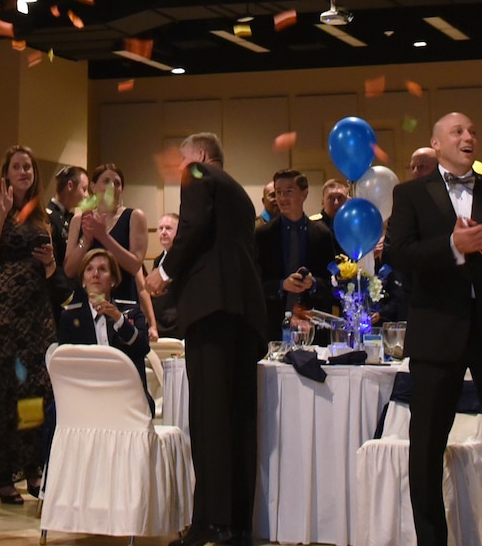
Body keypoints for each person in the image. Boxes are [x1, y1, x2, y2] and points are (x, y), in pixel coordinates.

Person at [386, 112, 482, 546]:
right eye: (458, 132)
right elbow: (399, 253)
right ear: (436, 144)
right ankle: (431, 539)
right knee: (427, 449)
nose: (469, 136)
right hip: (437, 333)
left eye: (472, 130)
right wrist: (453, 246)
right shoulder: (411, 194)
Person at [142, 132, 269, 546]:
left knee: (210, 418)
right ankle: (235, 524)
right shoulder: (240, 195)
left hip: (211, 310)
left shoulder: (198, 176)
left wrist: (163, 271)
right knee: (237, 419)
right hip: (244, 316)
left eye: (182, 158)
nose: (180, 166)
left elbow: (192, 229)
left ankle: (209, 525)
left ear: (199, 156)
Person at [0, 143, 59, 505]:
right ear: (5, 173)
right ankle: (3, 476)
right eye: (17, 167)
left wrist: (51, 259)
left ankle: (34, 469)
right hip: (3, 310)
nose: (24, 172)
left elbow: (53, 271)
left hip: (36, 313)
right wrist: (3, 213)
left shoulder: (42, 214)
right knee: (4, 389)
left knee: (35, 392)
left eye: (29, 167)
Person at [255, 169, 341, 326]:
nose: (282, 198)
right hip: (273, 323)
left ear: (304, 194)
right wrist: (282, 285)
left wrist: (313, 283)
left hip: (313, 324)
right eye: (278, 192)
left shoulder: (322, 234)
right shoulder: (263, 235)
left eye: (288, 191)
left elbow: (333, 284)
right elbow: (254, 283)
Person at [58, 248, 150, 389]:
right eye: (89, 269)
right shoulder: (70, 317)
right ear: (83, 281)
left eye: (102, 269)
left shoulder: (130, 311)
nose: (95, 274)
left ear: (113, 280)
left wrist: (118, 318)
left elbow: (143, 347)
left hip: (125, 390)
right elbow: (65, 363)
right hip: (87, 390)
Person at [67, 161, 148, 306]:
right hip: (86, 302)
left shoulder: (134, 216)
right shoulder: (79, 220)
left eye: (117, 183)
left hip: (121, 301)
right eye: (106, 181)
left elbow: (135, 265)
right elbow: (69, 270)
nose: (112, 187)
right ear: (93, 186)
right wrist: (85, 241)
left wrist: (103, 237)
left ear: (122, 189)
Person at [46, 164, 88, 274]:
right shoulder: (48, 217)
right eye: (84, 189)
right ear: (70, 186)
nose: (87, 195)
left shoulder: (73, 218)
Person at [148, 211, 181, 335]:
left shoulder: (185, 261)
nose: (163, 232)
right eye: (160, 228)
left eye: (168, 228)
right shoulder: (157, 261)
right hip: (158, 325)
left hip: (177, 325)